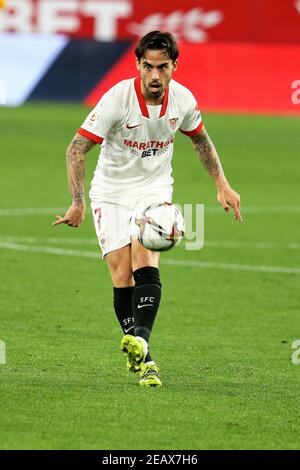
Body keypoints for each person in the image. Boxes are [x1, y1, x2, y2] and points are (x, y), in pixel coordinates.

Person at [53, 31, 242, 388]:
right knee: (121, 274)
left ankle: (141, 344)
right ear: (138, 64)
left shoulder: (182, 100)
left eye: (163, 68)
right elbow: (75, 150)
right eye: (148, 67)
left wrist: (222, 183)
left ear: (174, 67)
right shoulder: (116, 99)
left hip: (153, 189)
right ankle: (143, 355)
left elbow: (200, 139)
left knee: (146, 258)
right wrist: (77, 203)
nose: (155, 76)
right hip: (109, 191)